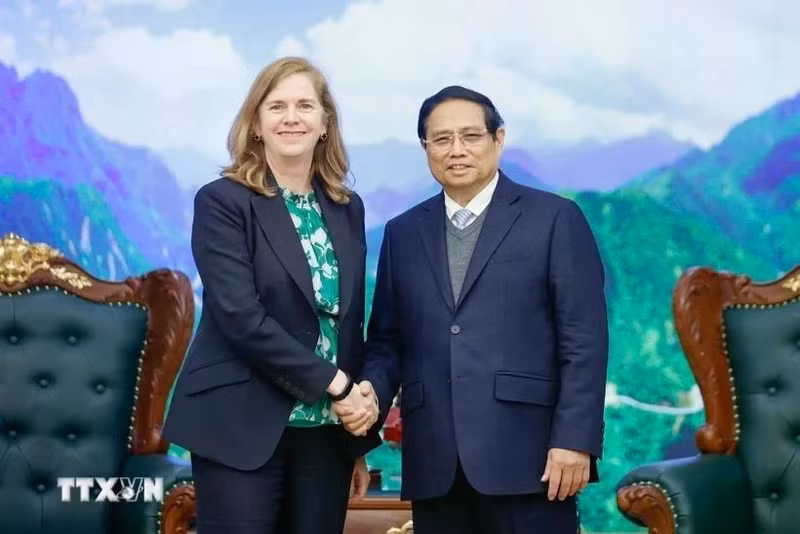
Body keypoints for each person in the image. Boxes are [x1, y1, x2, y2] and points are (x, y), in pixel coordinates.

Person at [348, 85, 609, 534]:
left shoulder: (554, 219)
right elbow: (388, 341)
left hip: (532, 463)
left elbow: (583, 339)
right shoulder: (402, 233)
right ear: (425, 148)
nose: (457, 150)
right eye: (442, 139)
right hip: (436, 464)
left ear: (498, 139)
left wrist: (574, 440)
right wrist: (367, 397)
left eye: (470, 136)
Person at [162, 56, 381, 534]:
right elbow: (242, 318)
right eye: (276, 106)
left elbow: (348, 324)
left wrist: (356, 442)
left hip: (326, 433)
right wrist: (338, 385)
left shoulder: (347, 208)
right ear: (256, 124)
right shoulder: (222, 202)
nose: (291, 117)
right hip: (240, 422)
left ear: (325, 124)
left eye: (305, 105)